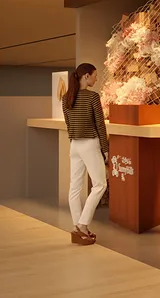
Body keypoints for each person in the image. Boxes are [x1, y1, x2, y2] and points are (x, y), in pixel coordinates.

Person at [62, 63, 108, 245]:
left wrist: (74, 141)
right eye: (95, 75)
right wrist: (105, 149)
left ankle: (77, 227)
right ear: (86, 76)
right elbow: (100, 125)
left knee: (74, 187)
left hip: (74, 145)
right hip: (90, 143)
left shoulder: (66, 98)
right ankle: (82, 225)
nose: (96, 79)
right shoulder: (92, 97)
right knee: (100, 185)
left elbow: (68, 124)